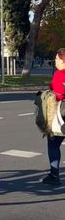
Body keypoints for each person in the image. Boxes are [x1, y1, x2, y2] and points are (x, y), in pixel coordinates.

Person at [41, 48, 65, 186]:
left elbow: (57, 93)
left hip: (61, 114)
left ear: (62, 61)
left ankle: (54, 175)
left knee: (53, 144)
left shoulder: (59, 74)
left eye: (56, 58)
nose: (55, 60)